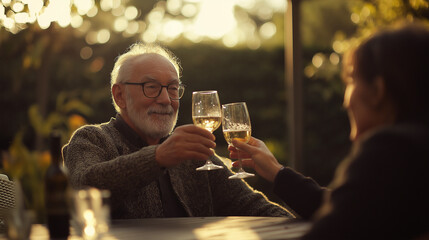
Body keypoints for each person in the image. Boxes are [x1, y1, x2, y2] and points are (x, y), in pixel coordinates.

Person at [229, 22, 429, 239]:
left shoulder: (390, 150)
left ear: (378, 91)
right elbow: (354, 210)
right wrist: (278, 173)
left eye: (351, 79)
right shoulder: (416, 153)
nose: (346, 98)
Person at [62, 43, 293, 219]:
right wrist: (158, 157)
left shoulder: (194, 154)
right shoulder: (91, 139)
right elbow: (85, 187)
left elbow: (254, 208)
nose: (166, 99)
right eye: (151, 87)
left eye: (173, 89)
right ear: (119, 95)